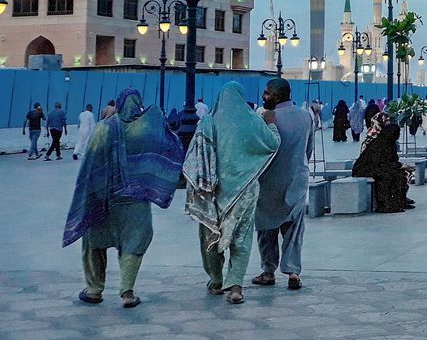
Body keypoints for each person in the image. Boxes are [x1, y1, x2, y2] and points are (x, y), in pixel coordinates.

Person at [63, 89, 184, 308]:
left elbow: (90, 165)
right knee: (134, 243)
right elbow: (170, 145)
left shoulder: (103, 128)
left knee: (93, 243)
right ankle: (127, 292)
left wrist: (88, 194)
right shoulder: (147, 129)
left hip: (104, 197)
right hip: (136, 200)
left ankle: (93, 289)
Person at [183, 82, 281, 305]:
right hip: (245, 190)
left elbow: (195, 157)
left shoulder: (208, 122)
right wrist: (272, 125)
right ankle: (235, 287)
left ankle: (216, 280)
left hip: (213, 191)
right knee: (242, 237)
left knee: (210, 235)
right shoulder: (254, 121)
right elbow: (273, 143)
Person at [252, 79, 313, 291]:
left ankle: (268, 271)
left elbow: (258, 149)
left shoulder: (265, 117)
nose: (263, 96)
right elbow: (308, 149)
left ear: (277, 96)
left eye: (267, 93)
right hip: (296, 178)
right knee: (294, 228)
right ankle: (293, 271)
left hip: (268, 181)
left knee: (265, 227)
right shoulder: (306, 115)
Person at [352, 117, 414, 212]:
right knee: (386, 176)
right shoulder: (380, 143)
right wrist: (399, 166)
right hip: (364, 169)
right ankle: (385, 204)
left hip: (377, 166)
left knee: (400, 175)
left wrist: (401, 166)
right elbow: (381, 163)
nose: (399, 135)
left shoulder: (389, 143)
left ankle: (399, 201)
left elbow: (390, 161)